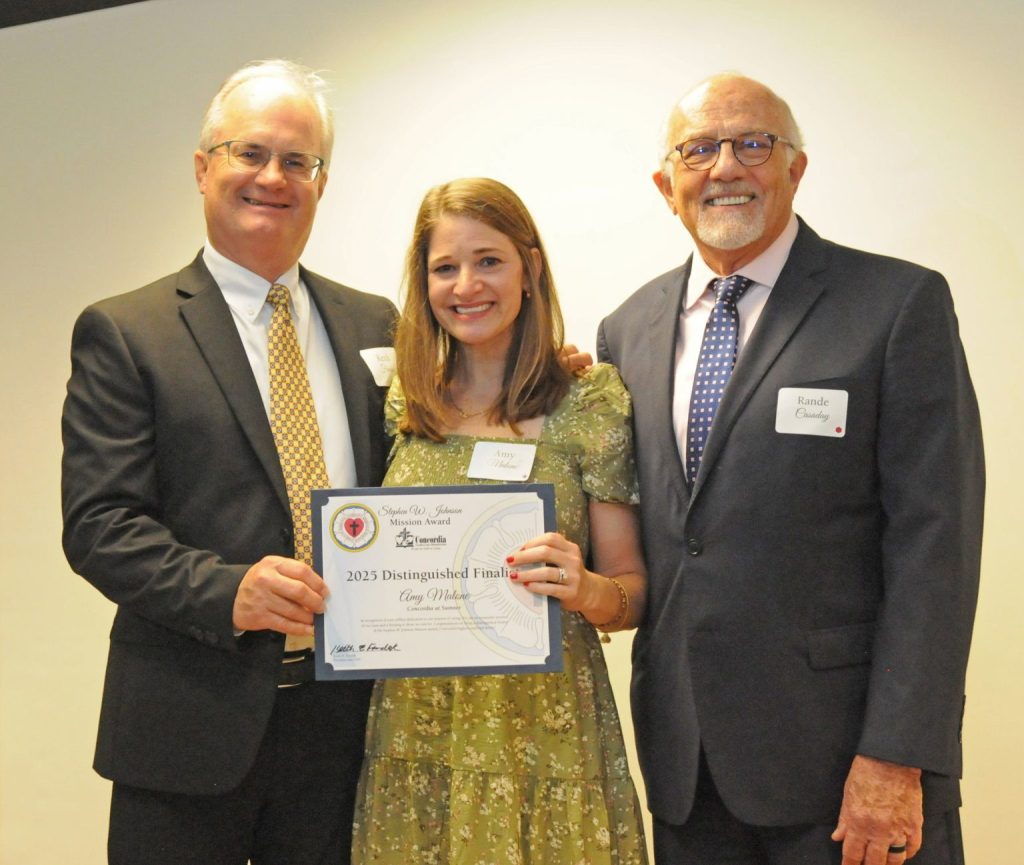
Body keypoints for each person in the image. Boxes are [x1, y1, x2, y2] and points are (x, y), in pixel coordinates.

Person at [597, 74, 983, 865]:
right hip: (687, 770)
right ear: (666, 183)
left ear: (795, 167)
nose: (725, 166)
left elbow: (935, 548)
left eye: (753, 143)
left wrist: (896, 753)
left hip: (847, 770)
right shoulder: (625, 329)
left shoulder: (895, 303)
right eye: (698, 149)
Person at [61, 59, 397, 865]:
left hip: (344, 727)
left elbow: (424, 472)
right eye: (251, 153)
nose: (273, 177)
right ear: (204, 166)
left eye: (299, 161)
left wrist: (543, 377)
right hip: (187, 725)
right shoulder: (126, 331)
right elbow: (99, 525)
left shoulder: (376, 322)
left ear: (322, 180)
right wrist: (229, 590)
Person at [351, 177, 649, 864]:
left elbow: (632, 589)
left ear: (530, 267)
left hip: (547, 733)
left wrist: (585, 589)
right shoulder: (406, 396)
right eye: (444, 267)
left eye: (488, 260)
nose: (466, 285)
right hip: (416, 734)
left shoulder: (589, 398)